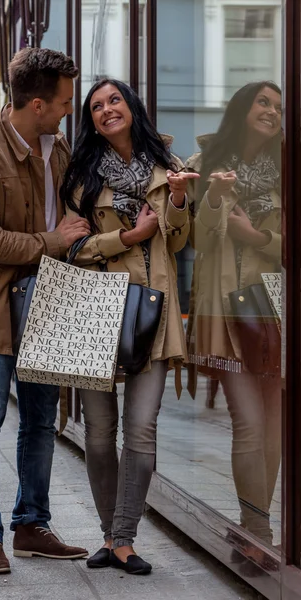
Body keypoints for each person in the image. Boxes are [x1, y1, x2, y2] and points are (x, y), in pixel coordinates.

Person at [0, 47, 90, 574]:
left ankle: (32, 526)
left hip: (49, 304)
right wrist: (50, 242)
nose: (66, 111)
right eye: (61, 103)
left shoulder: (59, 150)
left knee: (39, 421)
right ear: (36, 103)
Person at [61, 78, 199, 574]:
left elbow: (180, 243)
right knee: (99, 433)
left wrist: (179, 203)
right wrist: (127, 236)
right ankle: (107, 533)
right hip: (98, 311)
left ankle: (123, 539)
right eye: (96, 106)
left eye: (114, 100)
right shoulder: (81, 177)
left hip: (154, 314)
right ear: (92, 121)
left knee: (141, 431)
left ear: (130, 106)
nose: (106, 110)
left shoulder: (169, 167)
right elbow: (73, 249)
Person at [185, 82, 282, 558]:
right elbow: (195, 242)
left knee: (272, 421)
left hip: (276, 308)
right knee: (248, 420)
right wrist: (217, 200)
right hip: (225, 308)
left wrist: (257, 237)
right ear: (242, 109)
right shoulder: (206, 165)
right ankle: (257, 534)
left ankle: (254, 532)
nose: (272, 112)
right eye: (263, 102)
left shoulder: (288, 172)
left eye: (278, 107)